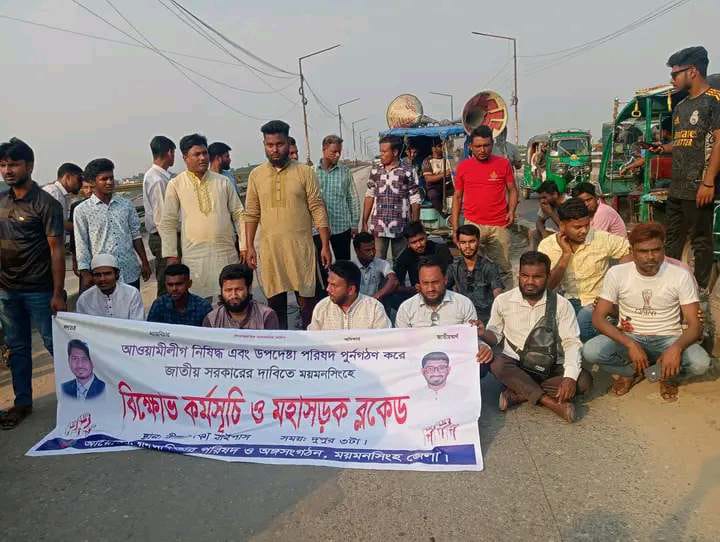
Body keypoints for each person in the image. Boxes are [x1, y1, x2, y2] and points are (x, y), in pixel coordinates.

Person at [583, 223, 710, 402]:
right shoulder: (617, 273)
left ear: (663, 248)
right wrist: (630, 344)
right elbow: (598, 318)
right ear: (632, 251)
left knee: (700, 363)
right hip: (630, 335)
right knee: (590, 351)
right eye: (643, 251)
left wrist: (676, 348)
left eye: (656, 250)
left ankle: (665, 374)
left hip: (668, 337)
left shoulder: (680, 275)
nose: (650, 257)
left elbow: (695, 324)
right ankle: (631, 372)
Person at [480, 251, 592, 423]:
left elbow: (571, 342)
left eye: (537, 277)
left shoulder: (562, 305)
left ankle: (519, 393)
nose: (530, 282)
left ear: (548, 277)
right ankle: (551, 403)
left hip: (550, 365)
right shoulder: (503, 301)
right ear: (519, 275)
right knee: (496, 363)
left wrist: (569, 377)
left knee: (583, 381)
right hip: (516, 365)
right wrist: (482, 333)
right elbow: (494, 334)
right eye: (525, 276)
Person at [0, 138, 66, 429]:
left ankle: (78, 399)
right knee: (17, 349)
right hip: (7, 291)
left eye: (13, 164)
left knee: (56, 345)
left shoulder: (46, 204)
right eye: (3, 165)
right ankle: (22, 402)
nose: (7, 170)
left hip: (40, 290)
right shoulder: (1, 201)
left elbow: (56, 250)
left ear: (29, 166)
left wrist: (58, 292)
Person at [244, 120, 331, 330]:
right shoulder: (256, 175)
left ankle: (309, 343)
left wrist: (325, 245)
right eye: (270, 145)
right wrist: (249, 246)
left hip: (301, 249)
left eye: (279, 144)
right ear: (264, 145)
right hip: (271, 251)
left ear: (287, 143)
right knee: (275, 307)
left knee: (307, 304)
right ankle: (281, 345)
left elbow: (317, 208)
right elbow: (251, 213)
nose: (275, 149)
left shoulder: (305, 172)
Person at [653, 46, 720, 296]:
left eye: (675, 74)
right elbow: (685, 141)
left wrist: (708, 181)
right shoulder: (681, 106)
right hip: (677, 186)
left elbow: (718, 141)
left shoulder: (714, 100)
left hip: (699, 185)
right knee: (672, 238)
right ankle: (669, 285)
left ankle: (700, 290)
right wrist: (663, 148)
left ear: (692, 71)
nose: (672, 79)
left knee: (700, 239)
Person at [158, 133, 246, 301]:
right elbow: (168, 222)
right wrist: (171, 255)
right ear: (185, 158)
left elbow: (238, 214)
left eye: (205, 153)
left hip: (225, 252)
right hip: (194, 256)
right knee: (199, 303)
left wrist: (244, 246)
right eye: (197, 154)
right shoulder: (176, 184)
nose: (203, 158)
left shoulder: (223, 182)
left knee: (229, 299)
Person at [539, 198, 630, 342]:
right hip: (567, 301)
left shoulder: (600, 238)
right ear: (562, 226)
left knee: (582, 323)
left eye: (587, 225)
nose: (584, 231)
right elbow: (548, 286)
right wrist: (565, 255)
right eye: (577, 227)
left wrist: (618, 281)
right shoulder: (547, 246)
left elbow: (628, 251)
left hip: (598, 302)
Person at [395, 256, 494, 369]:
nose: (430, 288)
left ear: (445, 280)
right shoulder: (406, 308)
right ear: (419, 284)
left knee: (482, 363)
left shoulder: (463, 303)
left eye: (435, 282)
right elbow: (400, 343)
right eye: (425, 283)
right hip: (417, 363)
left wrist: (483, 347)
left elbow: (472, 338)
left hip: (457, 362)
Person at [452, 125, 518, 289]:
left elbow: (512, 190)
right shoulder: (463, 167)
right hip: (473, 225)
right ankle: (474, 299)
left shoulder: (503, 164)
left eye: (486, 145)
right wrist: (455, 228)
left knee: (503, 268)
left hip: (499, 225)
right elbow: (457, 197)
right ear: (470, 146)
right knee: (471, 267)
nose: (482, 150)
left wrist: (511, 211)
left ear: (492, 144)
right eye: (478, 146)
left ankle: (505, 300)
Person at [74, 158, 151, 291]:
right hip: (102, 275)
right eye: (104, 179)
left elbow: (136, 235)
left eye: (111, 178)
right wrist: (85, 273)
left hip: (129, 271)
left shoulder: (126, 205)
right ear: (92, 182)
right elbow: (81, 244)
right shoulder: (82, 210)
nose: (109, 182)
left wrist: (144, 262)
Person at [362, 135, 421, 260]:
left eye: (384, 152)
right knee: (377, 262)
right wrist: (364, 222)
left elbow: (415, 198)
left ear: (395, 152)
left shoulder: (408, 171)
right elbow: (369, 195)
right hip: (378, 226)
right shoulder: (375, 171)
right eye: (380, 152)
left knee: (401, 262)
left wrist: (415, 225)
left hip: (401, 226)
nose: (381, 155)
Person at [314, 135, 360, 291]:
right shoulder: (311, 172)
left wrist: (354, 224)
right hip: (318, 229)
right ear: (324, 149)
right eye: (334, 152)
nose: (337, 155)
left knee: (343, 265)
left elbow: (352, 198)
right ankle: (326, 295)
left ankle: (344, 294)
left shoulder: (345, 172)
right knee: (322, 265)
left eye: (339, 152)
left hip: (341, 227)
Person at [308, 260, 391, 330]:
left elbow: (384, 340)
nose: (328, 289)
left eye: (334, 285)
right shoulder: (322, 308)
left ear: (351, 290)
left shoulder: (374, 309)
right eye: (328, 283)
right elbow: (312, 340)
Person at [447, 224, 504, 324]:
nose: (467, 246)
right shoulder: (453, 267)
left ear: (478, 242)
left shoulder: (489, 267)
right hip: (461, 319)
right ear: (458, 244)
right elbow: (442, 288)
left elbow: (498, 294)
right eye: (463, 242)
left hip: (486, 320)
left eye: (471, 242)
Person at [143, 135, 176, 297]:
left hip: (163, 237)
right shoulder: (157, 180)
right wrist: (171, 249)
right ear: (169, 152)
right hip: (163, 238)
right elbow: (162, 218)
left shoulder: (159, 176)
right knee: (167, 283)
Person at [203, 264, 279, 329]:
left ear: (249, 289)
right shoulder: (212, 320)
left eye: (239, 289)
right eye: (228, 290)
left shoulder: (266, 316)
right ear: (221, 290)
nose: (233, 295)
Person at [393, 221, 452, 304]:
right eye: (414, 242)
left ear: (425, 235)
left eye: (421, 239)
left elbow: (451, 275)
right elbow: (397, 284)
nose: (419, 245)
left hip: (444, 291)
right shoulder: (404, 256)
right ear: (407, 242)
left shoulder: (440, 249)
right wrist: (413, 289)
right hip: (419, 295)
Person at [76, 254, 145, 320]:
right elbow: (82, 325)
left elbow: (138, 323)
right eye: (97, 275)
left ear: (116, 274)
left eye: (107, 274)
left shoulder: (132, 293)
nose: (102, 279)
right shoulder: (84, 299)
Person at [146, 263, 212, 326]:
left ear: (189, 284)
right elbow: (150, 330)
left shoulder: (203, 307)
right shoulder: (159, 304)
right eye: (170, 285)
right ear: (165, 285)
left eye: (179, 284)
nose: (174, 289)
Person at [353, 231, 399, 302]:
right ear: (357, 251)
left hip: (376, 304)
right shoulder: (351, 266)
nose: (372, 253)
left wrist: (377, 296)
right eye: (367, 250)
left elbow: (394, 281)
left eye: (373, 249)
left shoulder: (381, 263)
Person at [42, 162, 83, 235]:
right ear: (67, 177)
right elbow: (53, 221)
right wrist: (83, 227)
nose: (81, 183)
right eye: (79, 179)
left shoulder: (61, 195)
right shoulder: (54, 193)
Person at [69, 177, 95, 276]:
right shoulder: (77, 207)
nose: (89, 191)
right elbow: (74, 235)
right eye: (85, 187)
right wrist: (74, 259)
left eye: (91, 187)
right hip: (85, 254)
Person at [531, 181, 567, 249]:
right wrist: (544, 233)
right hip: (555, 234)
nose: (542, 201)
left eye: (544, 197)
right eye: (540, 198)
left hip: (567, 235)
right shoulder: (547, 203)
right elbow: (539, 222)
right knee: (534, 233)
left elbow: (565, 229)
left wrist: (550, 213)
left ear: (555, 194)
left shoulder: (568, 203)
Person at [421, 139, 453, 212]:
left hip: (449, 185)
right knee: (433, 195)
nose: (443, 148)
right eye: (440, 146)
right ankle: (444, 215)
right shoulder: (427, 161)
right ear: (433, 148)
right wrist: (444, 174)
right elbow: (428, 179)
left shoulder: (449, 158)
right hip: (434, 187)